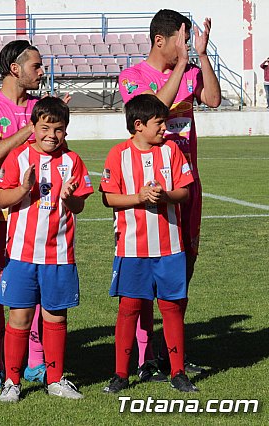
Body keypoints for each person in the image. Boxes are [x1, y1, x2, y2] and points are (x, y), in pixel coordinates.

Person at [118, 9, 221, 380]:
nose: (187, 46)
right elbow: (156, 108)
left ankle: (169, 349)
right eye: (182, 39)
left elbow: (212, 99)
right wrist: (181, 67)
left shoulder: (192, 71)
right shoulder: (131, 78)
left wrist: (202, 57)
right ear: (160, 40)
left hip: (185, 183)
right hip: (148, 188)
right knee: (146, 268)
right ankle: (146, 355)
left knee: (183, 264)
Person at [0, 97, 92, 403]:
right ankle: (12, 381)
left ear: (66, 131)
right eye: (45, 127)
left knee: (56, 318)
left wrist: (70, 197)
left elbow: (80, 206)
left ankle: (55, 379)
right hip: (21, 255)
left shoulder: (72, 161)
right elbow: (0, 200)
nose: (51, 134)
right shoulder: (18, 157)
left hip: (59, 255)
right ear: (33, 127)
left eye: (59, 129)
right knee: (19, 318)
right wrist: (23, 189)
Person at [100, 94, 197, 394]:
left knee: (171, 307)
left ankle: (178, 372)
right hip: (131, 249)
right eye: (159, 124)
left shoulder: (171, 151)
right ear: (138, 125)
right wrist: (139, 198)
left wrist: (166, 196)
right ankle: (120, 374)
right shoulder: (118, 154)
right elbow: (108, 198)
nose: (164, 129)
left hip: (169, 248)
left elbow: (186, 191)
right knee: (129, 308)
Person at [0, 40, 49, 390]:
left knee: (36, 292)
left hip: (38, 216)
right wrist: (34, 126)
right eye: (37, 65)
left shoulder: (40, 106)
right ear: (15, 69)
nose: (42, 71)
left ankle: (35, 362)